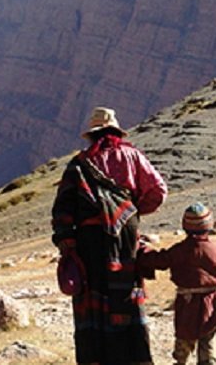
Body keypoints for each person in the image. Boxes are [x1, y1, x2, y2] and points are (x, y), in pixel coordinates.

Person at [51, 106, 168, 365]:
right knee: (126, 292)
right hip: (125, 238)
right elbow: (158, 190)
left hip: (89, 242)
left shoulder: (80, 163)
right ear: (115, 131)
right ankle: (134, 356)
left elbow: (63, 207)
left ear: (92, 134)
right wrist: (131, 212)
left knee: (93, 297)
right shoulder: (132, 156)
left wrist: (67, 242)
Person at [138, 203, 216, 365]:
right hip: (214, 301)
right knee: (208, 340)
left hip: (189, 302)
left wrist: (141, 250)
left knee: (184, 340)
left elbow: (159, 261)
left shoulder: (180, 250)